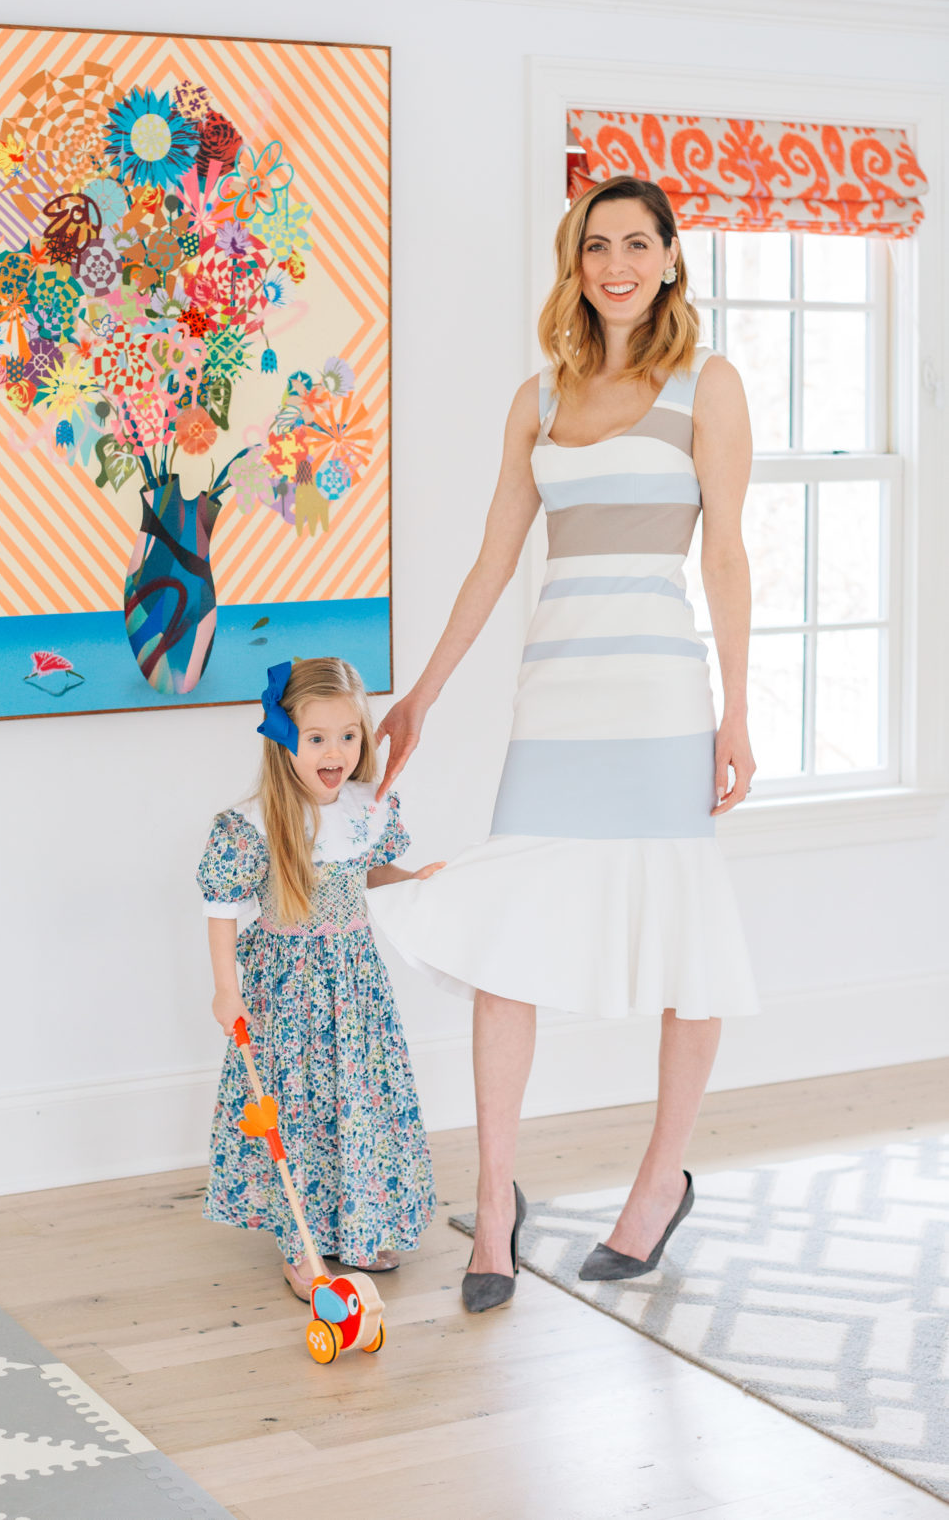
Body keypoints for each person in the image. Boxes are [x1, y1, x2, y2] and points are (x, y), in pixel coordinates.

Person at [367, 175, 759, 1313]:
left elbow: (725, 556)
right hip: (554, 706)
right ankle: (495, 1208)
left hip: (658, 702)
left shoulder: (707, 383)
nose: (616, 263)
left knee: (684, 946)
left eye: (637, 243)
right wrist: (423, 696)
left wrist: (736, 711)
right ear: (572, 262)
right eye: (596, 246)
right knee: (507, 948)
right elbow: (494, 560)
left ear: (671, 259)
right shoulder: (535, 398)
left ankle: (655, 1184)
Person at [198, 656, 441, 1301]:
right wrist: (227, 990)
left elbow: (367, 875)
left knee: (358, 1098)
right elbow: (223, 913)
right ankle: (299, 1239)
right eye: (317, 739)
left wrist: (410, 880)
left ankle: (360, 1223)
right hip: (287, 988)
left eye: (349, 736)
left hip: (355, 982)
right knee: (296, 1109)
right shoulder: (254, 823)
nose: (335, 751)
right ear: (286, 742)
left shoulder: (370, 808)